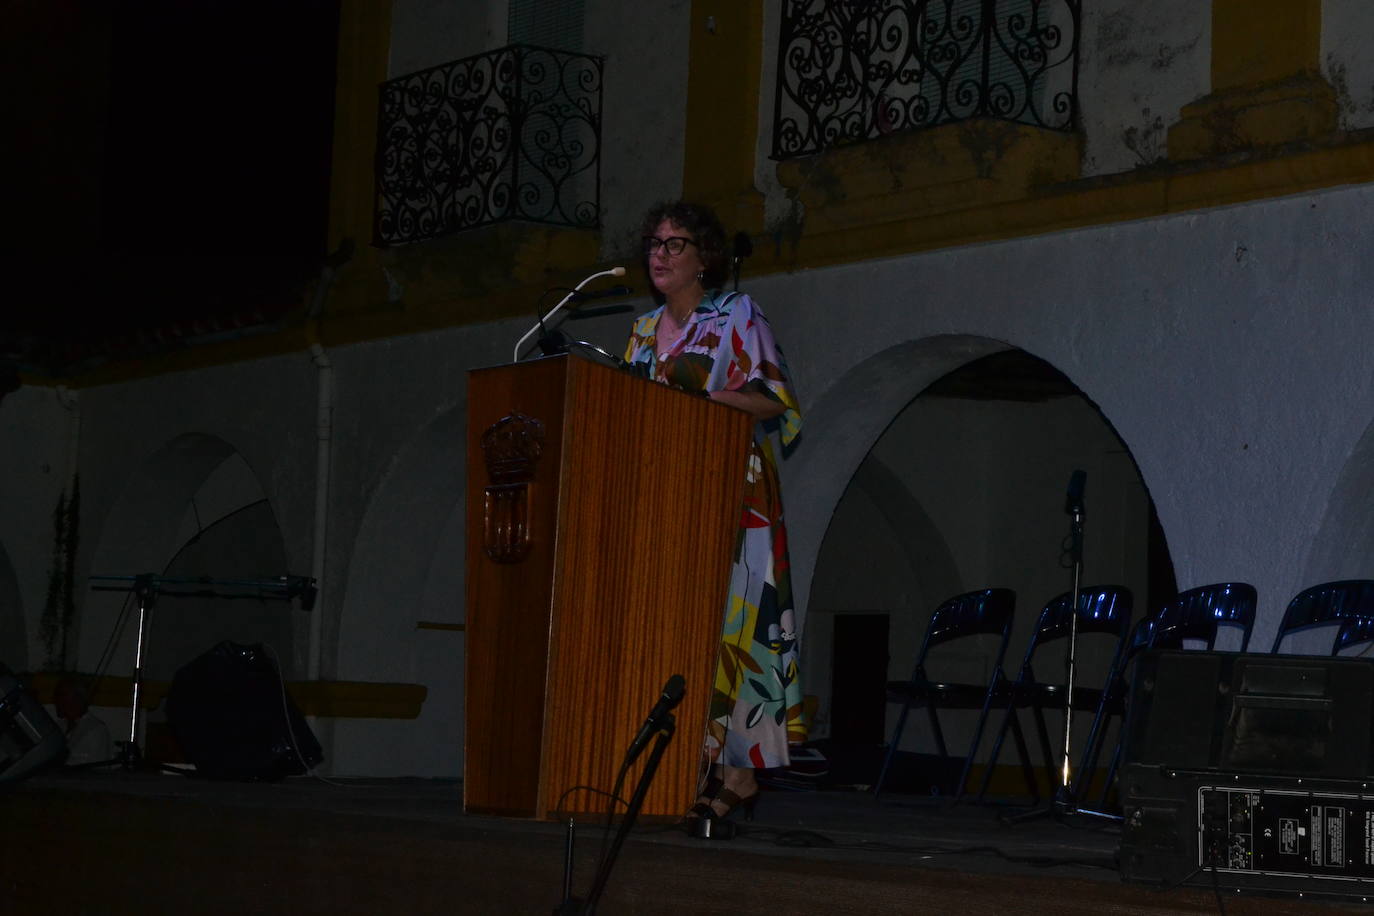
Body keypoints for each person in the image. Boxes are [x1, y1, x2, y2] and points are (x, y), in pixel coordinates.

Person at [623, 201, 805, 824]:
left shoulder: (735, 314)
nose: (660, 253)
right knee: (678, 623)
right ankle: (682, 765)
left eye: (676, 244)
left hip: (734, 492)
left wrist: (698, 400)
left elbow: (771, 399)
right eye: (655, 242)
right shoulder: (643, 331)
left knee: (738, 628)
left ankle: (738, 772)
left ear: (705, 258)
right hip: (667, 493)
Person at [53, 676, 113, 766]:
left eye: (62, 695)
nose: (56, 700)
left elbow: (94, 766)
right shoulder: (59, 726)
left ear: (78, 699)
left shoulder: (96, 730)